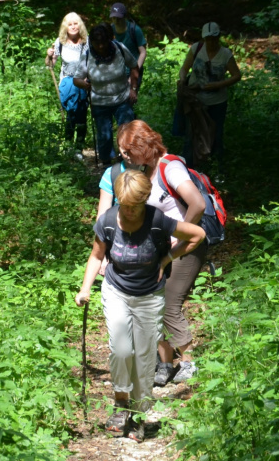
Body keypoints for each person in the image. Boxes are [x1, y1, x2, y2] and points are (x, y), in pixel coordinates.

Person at [76, 169, 205, 442]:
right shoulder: (108, 221)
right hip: (117, 292)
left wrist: (166, 258)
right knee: (122, 350)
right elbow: (96, 256)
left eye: (136, 206)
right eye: (126, 205)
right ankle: (121, 403)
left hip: (149, 296)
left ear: (145, 200)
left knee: (145, 358)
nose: (131, 211)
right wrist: (85, 288)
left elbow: (197, 235)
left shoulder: (157, 219)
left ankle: (139, 416)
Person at [96, 120, 208, 386]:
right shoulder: (148, 170)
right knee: (150, 300)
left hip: (185, 246)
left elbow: (198, 203)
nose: (124, 155)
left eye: (127, 150)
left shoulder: (171, 166)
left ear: (141, 146)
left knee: (168, 300)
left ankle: (189, 361)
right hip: (161, 249)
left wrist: (174, 238)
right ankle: (165, 362)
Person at [177, 22, 241, 171]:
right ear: (203, 38)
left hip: (217, 102)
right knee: (191, 134)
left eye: (214, 39)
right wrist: (182, 79)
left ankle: (217, 168)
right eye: (208, 39)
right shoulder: (197, 49)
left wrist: (219, 84)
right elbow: (184, 69)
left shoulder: (225, 54)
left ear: (218, 38)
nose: (211, 42)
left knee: (216, 135)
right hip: (195, 101)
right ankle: (189, 169)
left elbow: (236, 75)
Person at [73, 23, 139, 166]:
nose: (101, 46)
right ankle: (108, 165)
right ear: (92, 43)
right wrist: (84, 84)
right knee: (104, 136)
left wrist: (133, 88)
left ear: (109, 40)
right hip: (99, 102)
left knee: (127, 132)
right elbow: (76, 79)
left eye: (103, 43)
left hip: (122, 99)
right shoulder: (87, 56)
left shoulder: (120, 49)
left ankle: (127, 161)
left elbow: (134, 66)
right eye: (97, 44)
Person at [46, 12, 89, 147]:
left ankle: (79, 147)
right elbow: (50, 64)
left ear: (80, 25)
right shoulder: (60, 42)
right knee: (71, 113)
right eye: (70, 24)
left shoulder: (86, 41)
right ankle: (68, 145)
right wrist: (48, 56)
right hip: (67, 82)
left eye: (76, 23)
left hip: (82, 82)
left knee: (81, 114)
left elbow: (91, 62)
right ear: (65, 26)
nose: (73, 27)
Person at [110, 2, 148, 89]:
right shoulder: (110, 30)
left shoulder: (134, 30)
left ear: (124, 17)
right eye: (113, 18)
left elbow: (143, 52)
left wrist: (134, 73)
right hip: (116, 70)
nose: (116, 21)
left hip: (132, 69)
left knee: (130, 99)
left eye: (118, 18)